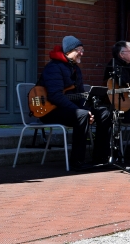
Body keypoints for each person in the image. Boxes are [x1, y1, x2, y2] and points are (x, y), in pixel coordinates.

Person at [37, 35, 111, 170]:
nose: (82, 53)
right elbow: (55, 96)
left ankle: (101, 158)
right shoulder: (54, 67)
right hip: (50, 110)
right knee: (82, 115)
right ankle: (77, 162)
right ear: (68, 51)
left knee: (104, 113)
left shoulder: (76, 69)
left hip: (69, 108)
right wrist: (81, 111)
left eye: (82, 50)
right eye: (79, 50)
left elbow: (80, 95)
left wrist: (87, 108)